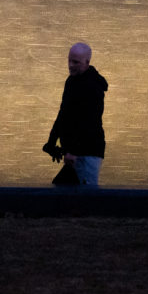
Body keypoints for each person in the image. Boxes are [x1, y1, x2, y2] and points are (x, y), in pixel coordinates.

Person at [42, 42, 108, 186]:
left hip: (87, 152)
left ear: (87, 62)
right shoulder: (72, 81)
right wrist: (51, 143)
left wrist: (72, 151)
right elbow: (64, 115)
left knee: (84, 197)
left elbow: (88, 122)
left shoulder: (92, 87)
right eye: (69, 60)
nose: (70, 65)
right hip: (78, 152)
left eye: (75, 62)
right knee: (66, 191)